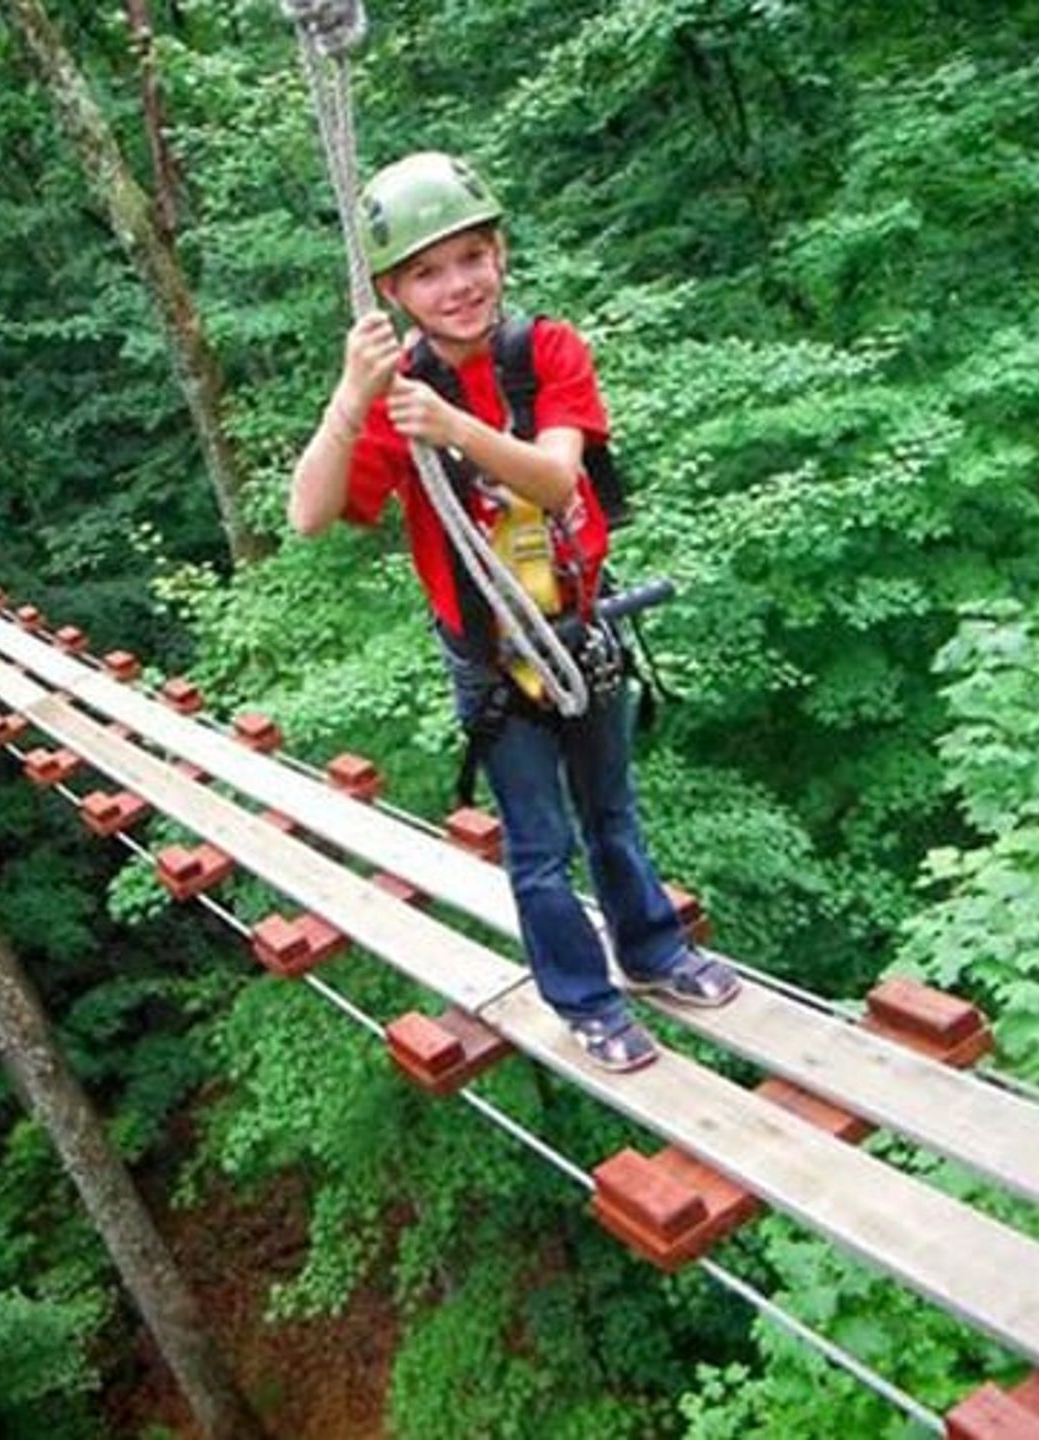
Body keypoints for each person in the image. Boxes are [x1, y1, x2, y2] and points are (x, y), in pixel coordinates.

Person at [288, 152, 739, 1071]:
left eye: (470, 258)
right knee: (540, 842)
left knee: (612, 812)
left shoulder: (545, 351)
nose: (456, 286)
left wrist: (454, 430)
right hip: (492, 655)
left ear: (499, 254)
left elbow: (556, 475)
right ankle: (585, 1000)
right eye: (427, 271)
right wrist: (351, 397)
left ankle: (653, 953)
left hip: (582, 631)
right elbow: (307, 518)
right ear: (393, 290)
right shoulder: (392, 397)